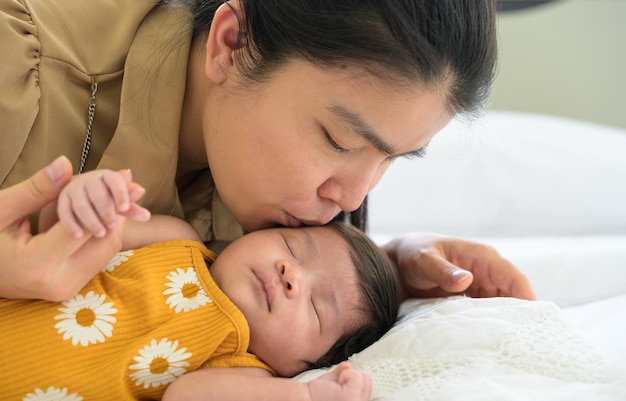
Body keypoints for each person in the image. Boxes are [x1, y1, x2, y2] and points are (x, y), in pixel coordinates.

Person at [0, 0, 536, 302]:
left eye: (391, 158)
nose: (349, 195)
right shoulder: (17, 58)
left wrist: (377, 271)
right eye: (340, 140)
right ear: (230, 44)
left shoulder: (249, 178)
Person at [0, 168, 400, 401]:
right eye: (292, 246)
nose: (290, 274)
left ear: (313, 363)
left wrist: (305, 396)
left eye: (317, 307)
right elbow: (61, 242)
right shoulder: (176, 239)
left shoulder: (243, 368)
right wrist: (87, 199)